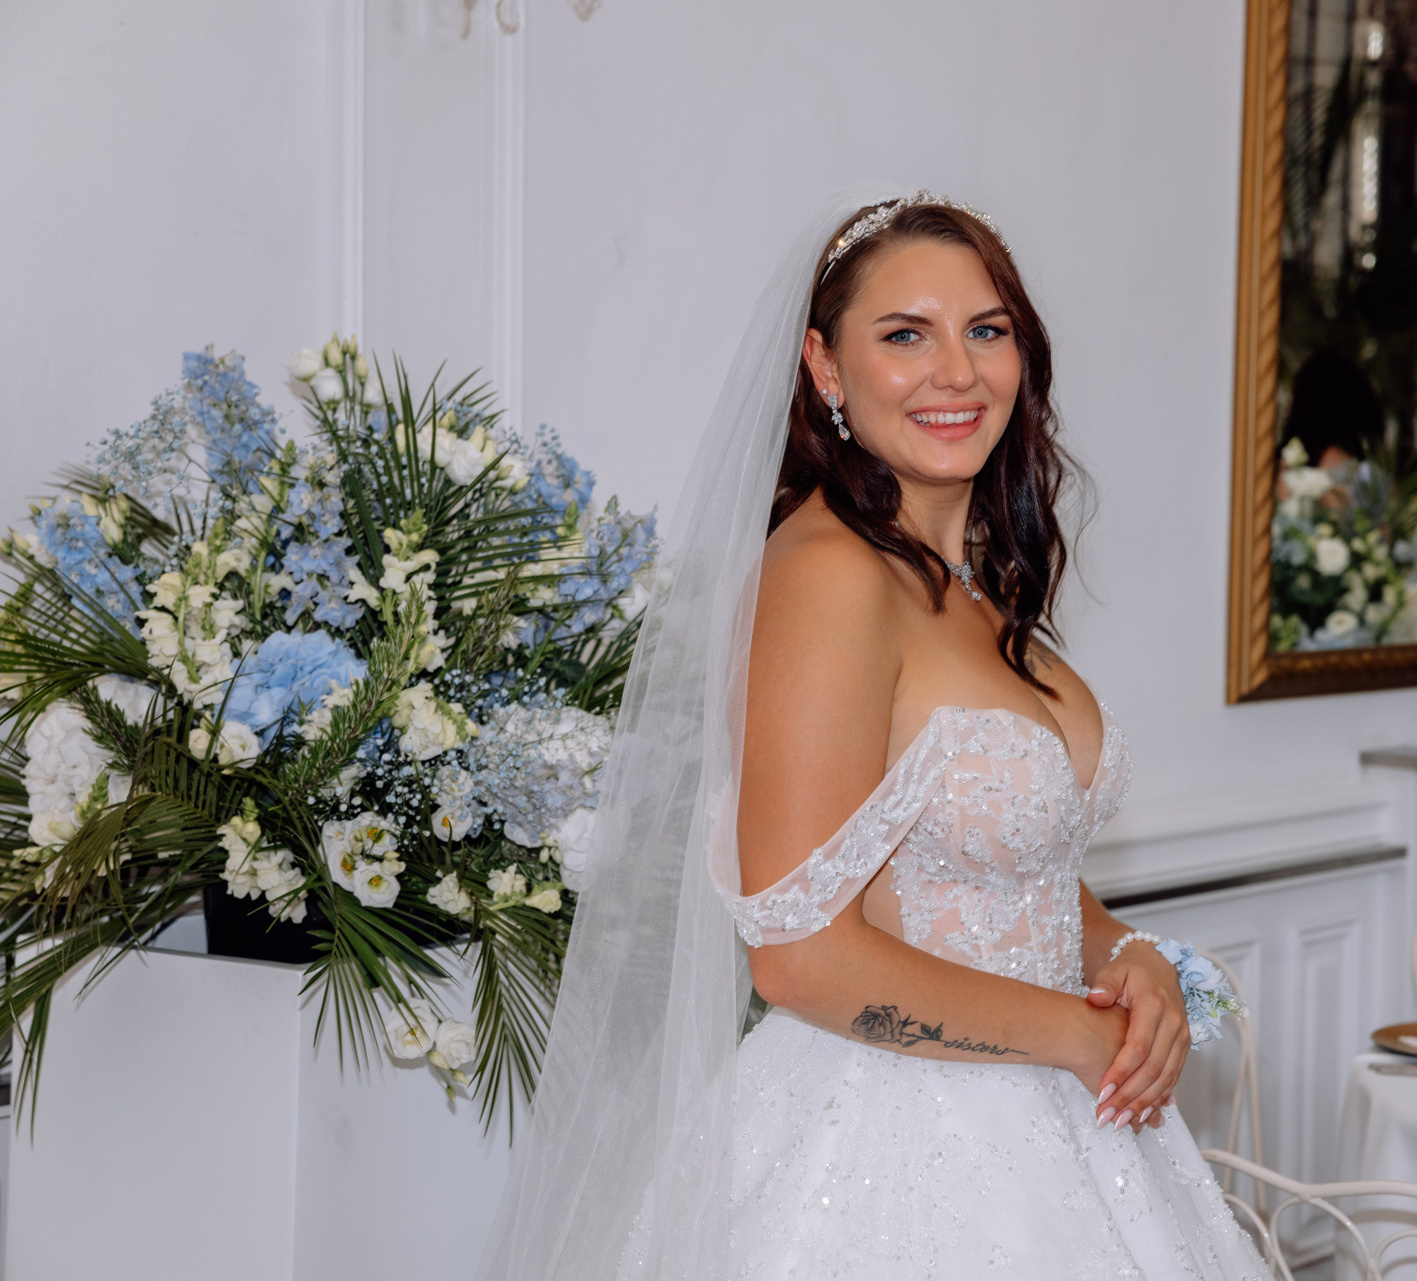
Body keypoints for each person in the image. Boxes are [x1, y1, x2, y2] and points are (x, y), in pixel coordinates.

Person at [475, 190, 1265, 1280]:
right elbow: (797, 955)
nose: (957, 371)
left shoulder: (971, 582)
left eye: (986, 330)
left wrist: (1129, 958)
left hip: (1064, 1121)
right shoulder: (828, 577)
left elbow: (999, 862)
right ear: (826, 367)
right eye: (905, 335)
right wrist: (1076, 1032)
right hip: (891, 1153)